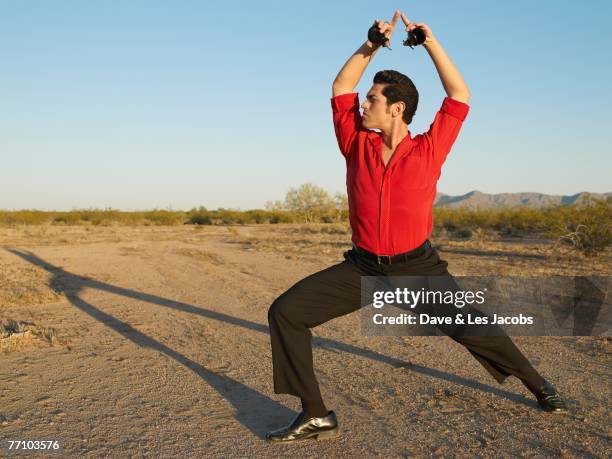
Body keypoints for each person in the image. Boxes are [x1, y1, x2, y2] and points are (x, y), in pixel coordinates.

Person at [265, 10, 568, 443]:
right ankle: (315, 413)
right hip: (363, 268)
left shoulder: (428, 148)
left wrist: (429, 43)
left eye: (373, 100)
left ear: (397, 109)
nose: (363, 104)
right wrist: (370, 45)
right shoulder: (355, 143)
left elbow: (459, 94)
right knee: (286, 312)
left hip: (416, 268)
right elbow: (340, 87)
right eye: (366, 99)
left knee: (477, 331)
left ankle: (540, 386)